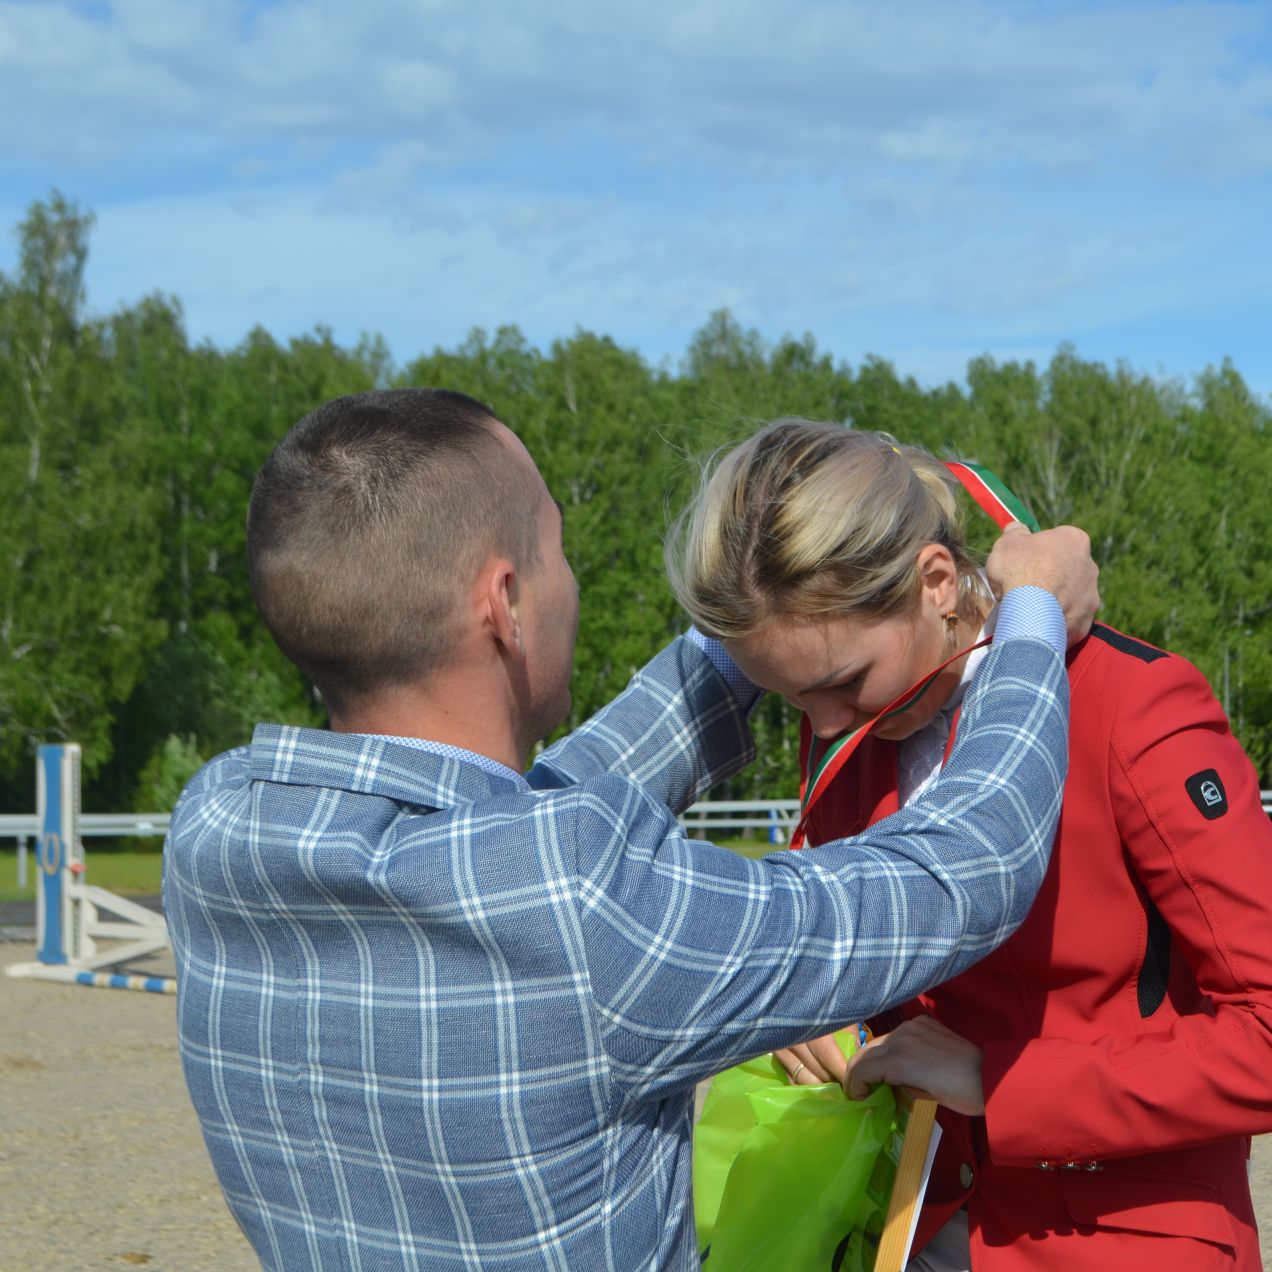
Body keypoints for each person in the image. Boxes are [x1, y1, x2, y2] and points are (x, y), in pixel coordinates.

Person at [162, 388, 1100, 1270]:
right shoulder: (577, 899)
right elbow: (963, 871)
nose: (569, 579)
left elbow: (522, 809)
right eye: (556, 551)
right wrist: (1028, 617)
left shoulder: (215, 831)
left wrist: (772, 597)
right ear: (506, 604)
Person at [669, 419, 1272, 1271]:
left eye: (843, 684)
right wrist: (815, 1018)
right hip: (911, 1224)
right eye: (791, 700)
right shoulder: (853, 722)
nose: (822, 728)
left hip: (1120, 1239)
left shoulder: (1130, 709)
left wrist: (1002, 1083)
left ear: (935, 581)